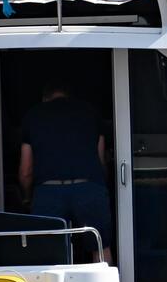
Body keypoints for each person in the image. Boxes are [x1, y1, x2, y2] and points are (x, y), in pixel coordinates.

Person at [19, 87, 112, 262]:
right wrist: (102, 187)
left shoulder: (33, 115)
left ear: (44, 98)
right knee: (100, 245)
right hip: (88, 187)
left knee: (46, 252)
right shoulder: (89, 112)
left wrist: (27, 197)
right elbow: (101, 160)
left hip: (48, 191)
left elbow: (26, 170)